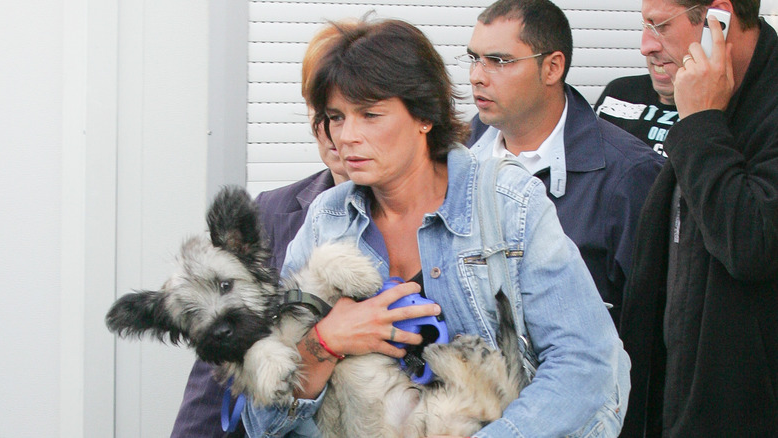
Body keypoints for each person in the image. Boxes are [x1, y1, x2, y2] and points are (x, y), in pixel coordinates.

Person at [242, 17, 630, 438]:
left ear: (424, 115)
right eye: (336, 117)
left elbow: (586, 363)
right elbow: (263, 418)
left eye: (370, 114)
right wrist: (325, 342)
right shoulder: (326, 220)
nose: (347, 136)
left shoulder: (507, 203)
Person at [170, 22, 354, 438]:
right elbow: (215, 371)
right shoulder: (271, 211)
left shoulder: (416, 214)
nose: (331, 131)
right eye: (318, 110)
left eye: (345, 112)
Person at [620, 0, 778, 436]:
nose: (645, 46)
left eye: (659, 26)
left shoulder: (711, 110)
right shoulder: (712, 100)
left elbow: (751, 244)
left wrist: (702, 120)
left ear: (717, 18)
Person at [464, 0, 664, 327]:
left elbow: (650, 326)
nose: (476, 76)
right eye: (474, 59)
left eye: (498, 61)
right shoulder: (457, 155)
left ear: (552, 68)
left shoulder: (629, 176)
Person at [594, 59, 679, 157]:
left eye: (670, 43)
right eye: (645, 42)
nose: (647, 49)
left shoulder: (700, 113)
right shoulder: (620, 93)